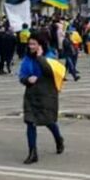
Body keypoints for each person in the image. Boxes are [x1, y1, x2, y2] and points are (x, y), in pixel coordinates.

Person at [19, 37, 65, 165]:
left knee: (48, 121)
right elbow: (22, 75)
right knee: (30, 122)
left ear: (41, 45)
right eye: (30, 44)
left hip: (46, 95)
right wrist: (27, 80)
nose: (31, 47)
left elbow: (50, 71)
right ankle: (32, 153)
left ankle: (58, 139)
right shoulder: (27, 58)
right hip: (31, 95)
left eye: (34, 44)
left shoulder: (50, 57)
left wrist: (40, 57)